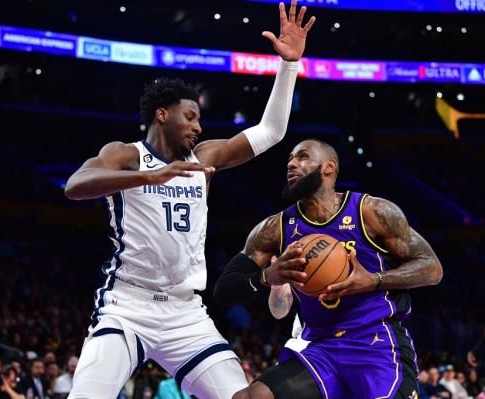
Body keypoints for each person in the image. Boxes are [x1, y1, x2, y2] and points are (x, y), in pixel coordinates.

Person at [63, 1, 316, 397]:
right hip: (128, 305)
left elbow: (271, 131)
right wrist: (152, 175)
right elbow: (75, 185)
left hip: (186, 313)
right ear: (162, 115)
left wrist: (288, 67)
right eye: (191, 117)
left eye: (199, 119)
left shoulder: (205, 158)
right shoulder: (126, 155)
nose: (198, 126)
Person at [213, 139, 443, 399]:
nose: (291, 163)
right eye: (290, 158)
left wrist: (374, 280)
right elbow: (224, 290)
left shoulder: (371, 211)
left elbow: (432, 268)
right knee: (249, 397)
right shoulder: (275, 228)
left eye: (302, 157)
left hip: (375, 342)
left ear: (328, 167)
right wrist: (267, 276)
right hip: (322, 348)